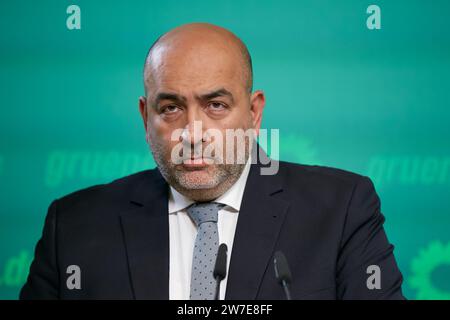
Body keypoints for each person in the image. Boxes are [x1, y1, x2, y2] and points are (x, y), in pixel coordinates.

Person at [20, 23, 404, 300]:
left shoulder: (341, 208)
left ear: (254, 114)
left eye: (216, 106)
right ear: (144, 117)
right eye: (170, 108)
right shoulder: (73, 225)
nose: (193, 132)